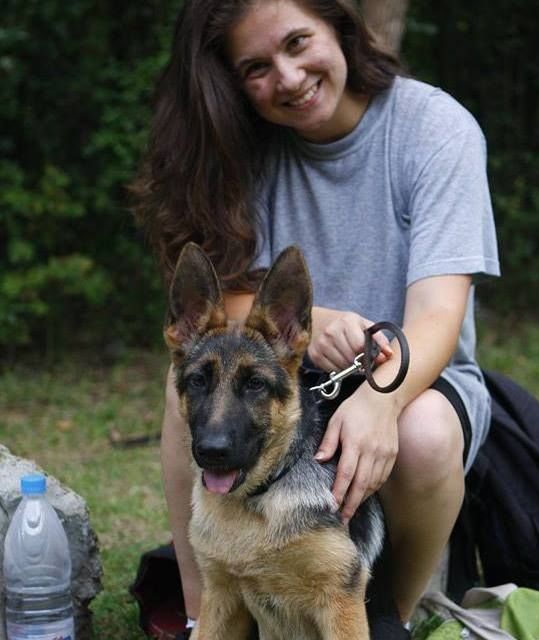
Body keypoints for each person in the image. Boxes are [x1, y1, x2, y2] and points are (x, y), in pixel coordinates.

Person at [131, 0, 500, 631]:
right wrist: (318, 320)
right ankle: (201, 613)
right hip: (286, 368)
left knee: (425, 435)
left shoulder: (434, 127)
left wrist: (381, 399)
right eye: (256, 68)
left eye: (298, 42)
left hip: (419, 377)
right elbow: (224, 296)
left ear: (339, 26)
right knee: (188, 379)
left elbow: (439, 314)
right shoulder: (240, 149)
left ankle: (391, 615)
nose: (289, 77)